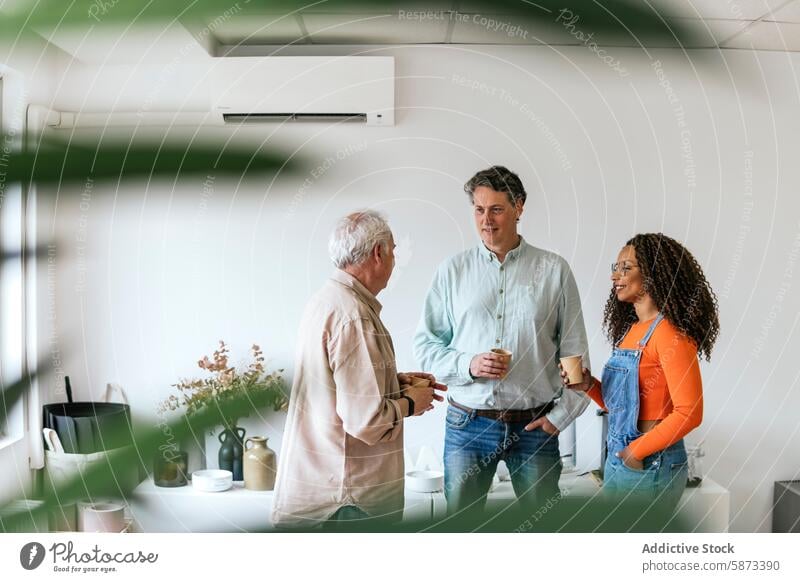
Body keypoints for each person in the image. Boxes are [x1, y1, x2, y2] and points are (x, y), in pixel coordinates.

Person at [413, 166, 591, 516]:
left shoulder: (554, 271)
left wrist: (561, 417)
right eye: (479, 210)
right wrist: (469, 363)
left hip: (535, 426)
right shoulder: (452, 271)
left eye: (496, 209)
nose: (486, 220)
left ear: (519, 207)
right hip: (467, 425)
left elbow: (575, 354)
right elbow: (425, 348)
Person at [272, 210, 446, 529]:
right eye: (393, 251)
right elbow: (366, 422)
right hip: (349, 500)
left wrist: (393, 381)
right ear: (378, 253)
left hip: (326, 490)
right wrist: (411, 403)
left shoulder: (326, 301)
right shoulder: (354, 316)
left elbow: (334, 384)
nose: (394, 261)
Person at [562, 233, 719, 509]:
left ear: (652, 273)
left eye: (626, 268)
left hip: (650, 462)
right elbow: (622, 406)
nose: (615, 277)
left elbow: (690, 412)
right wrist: (589, 385)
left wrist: (635, 451)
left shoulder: (670, 334)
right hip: (621, 458)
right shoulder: (632, 332)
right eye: (615, 268)